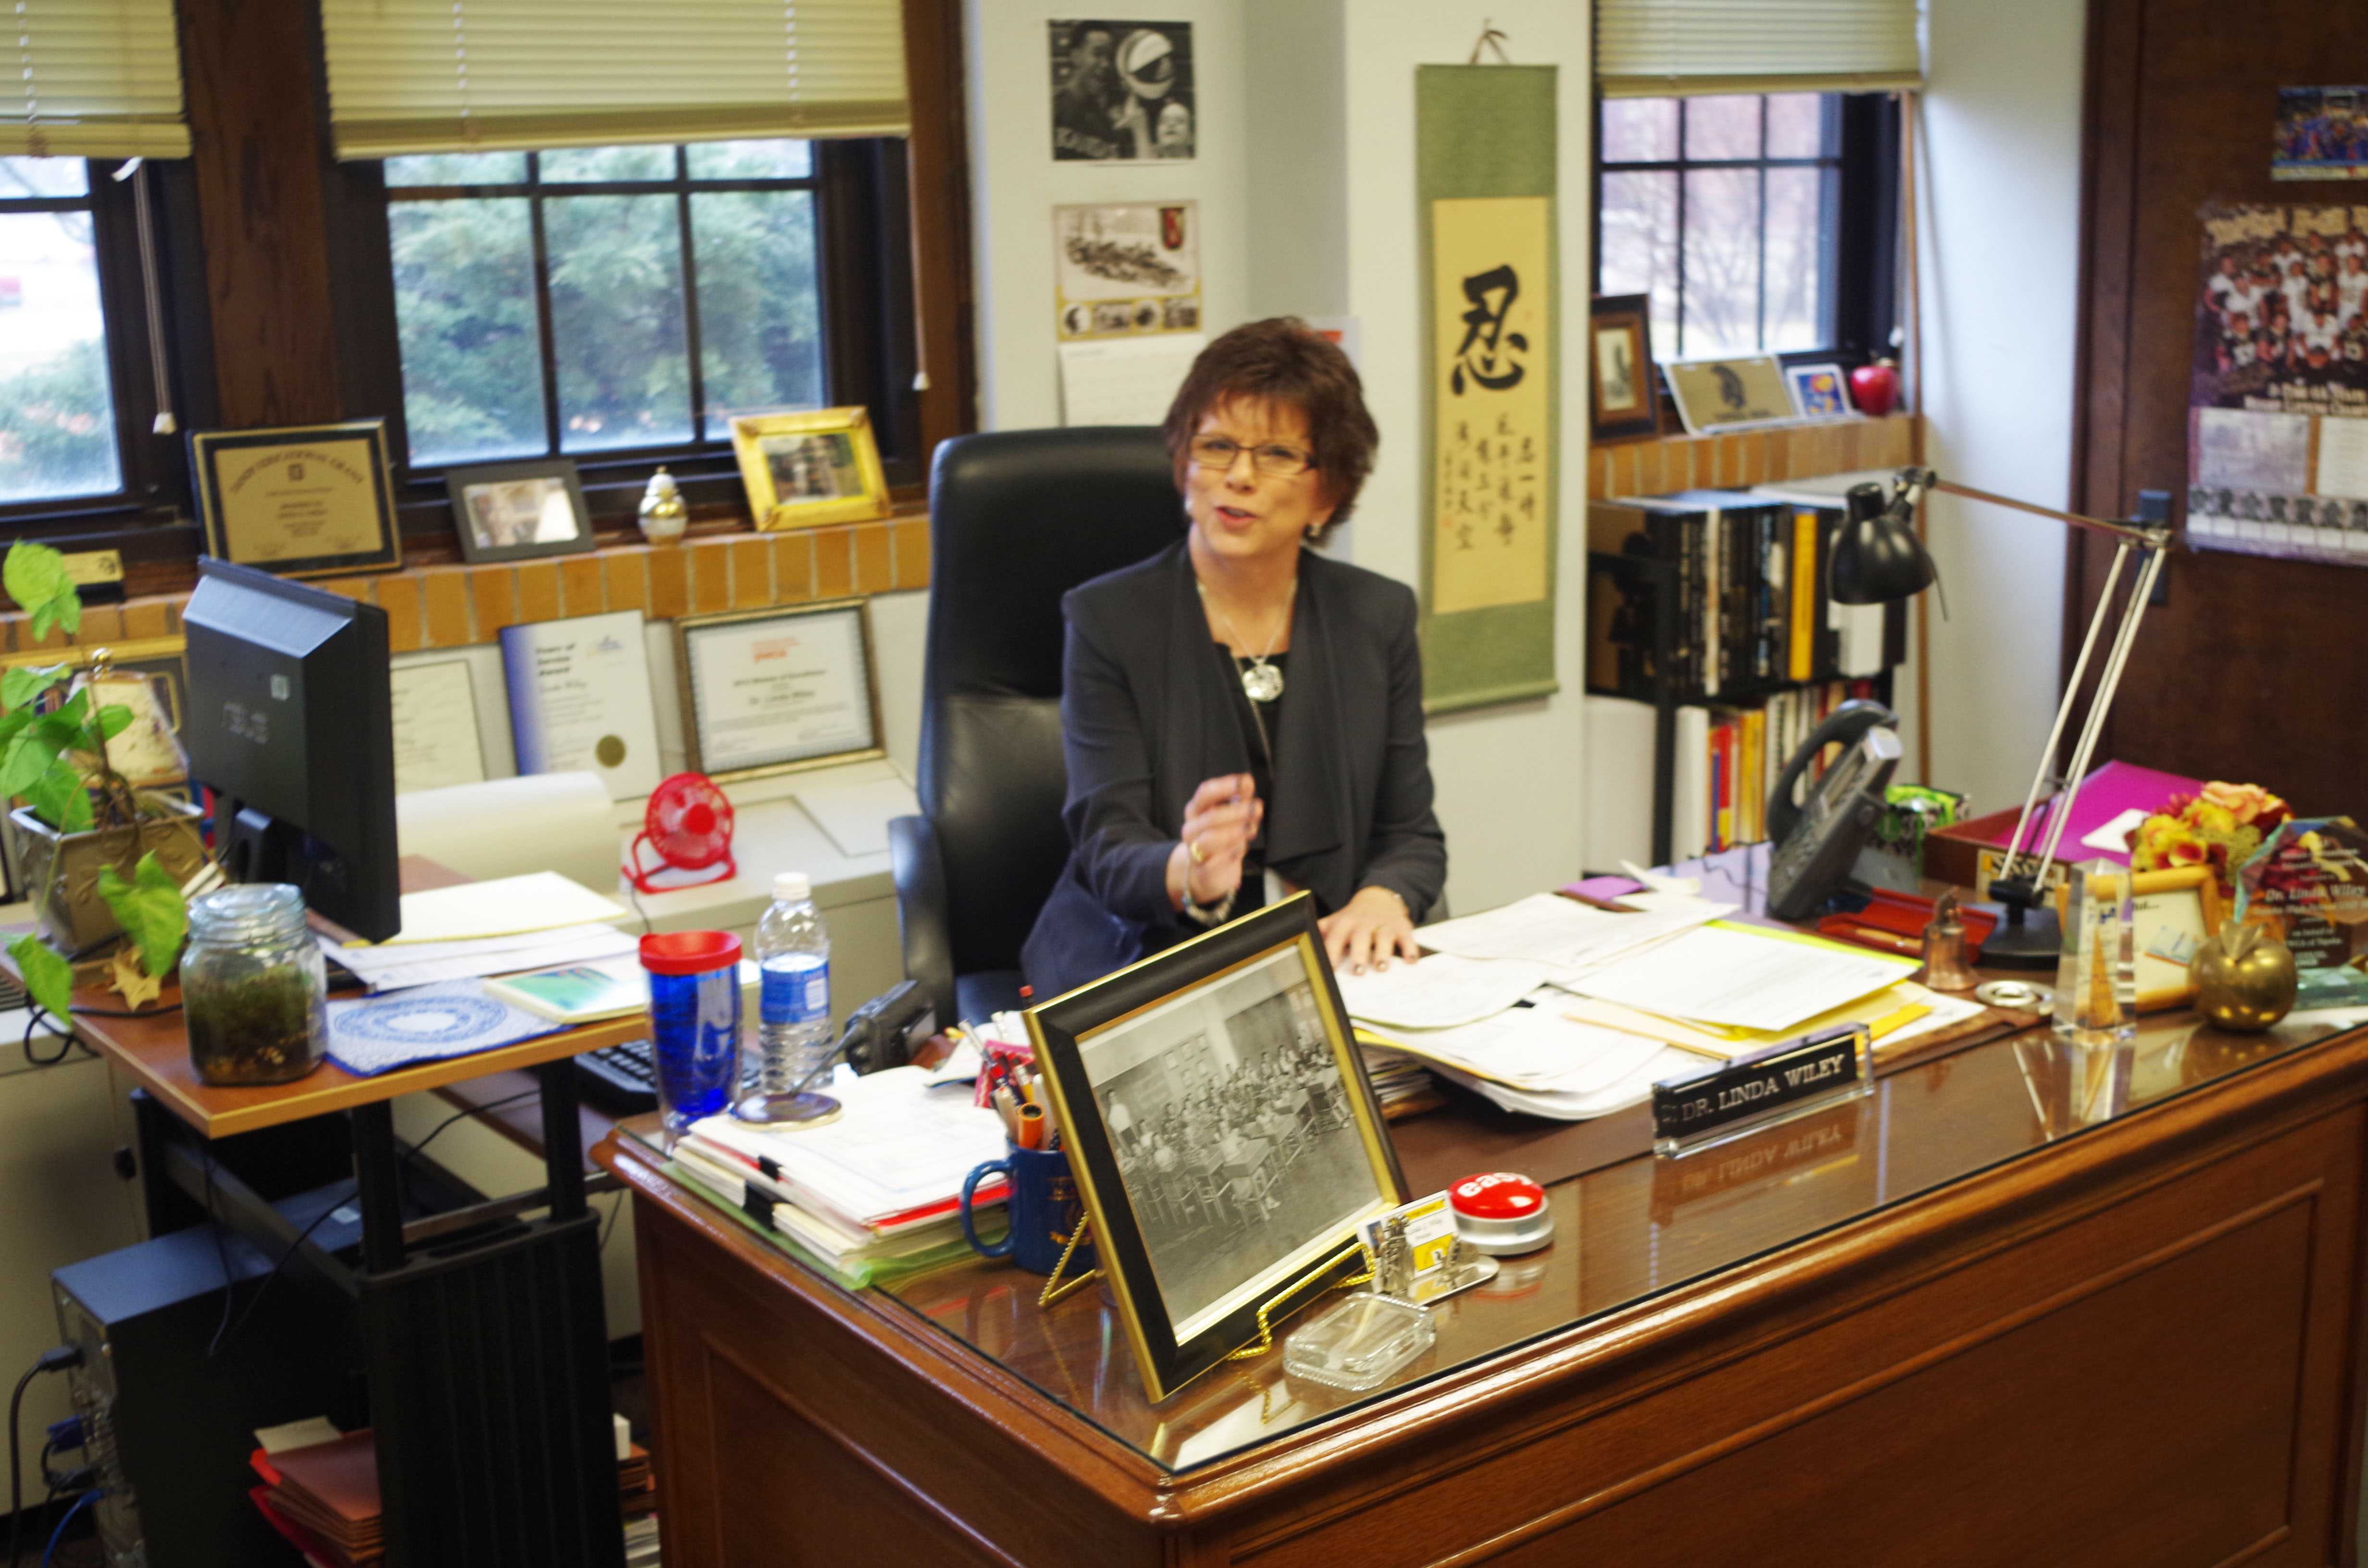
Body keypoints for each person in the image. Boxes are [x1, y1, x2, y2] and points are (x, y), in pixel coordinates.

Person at [1022, 318, 1448, 998]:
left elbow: (1411, 832)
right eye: (1217, 446)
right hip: (1152, 956)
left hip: (1328, 956)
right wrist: (1186, 870)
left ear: (1327, 493)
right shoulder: (1107, 620)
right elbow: (1106, 843)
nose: (1240, 477)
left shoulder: (1377, 616)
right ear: (1184, 467)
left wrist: (1383, 895)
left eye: (1277, 453)